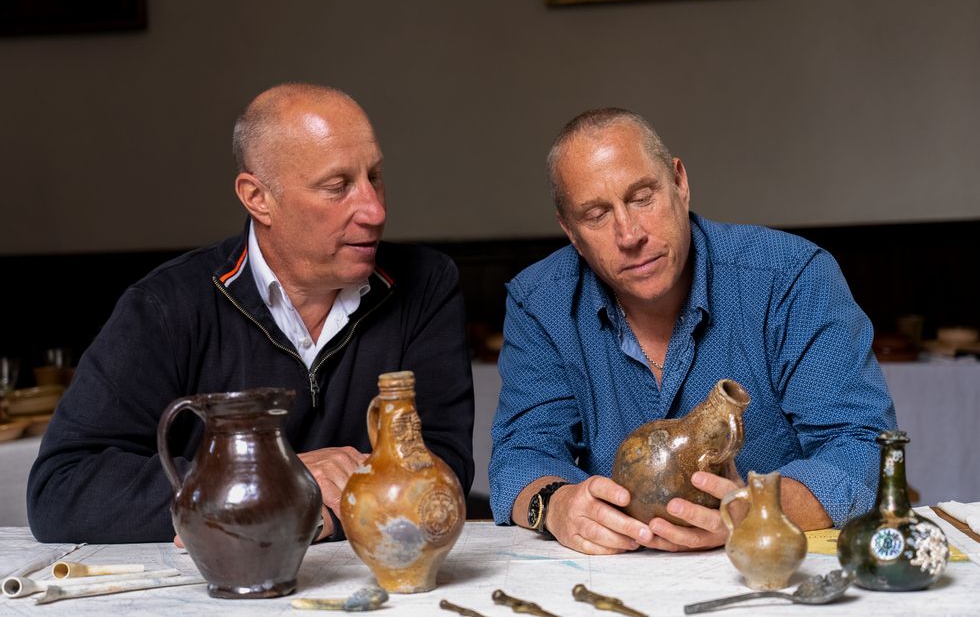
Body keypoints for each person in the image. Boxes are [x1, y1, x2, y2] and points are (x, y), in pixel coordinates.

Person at [28, 84, 474, 543]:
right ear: (258, 198)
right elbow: (61, 488)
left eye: (375, 177)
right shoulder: (166, 305)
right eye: (337, 187)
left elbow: (444, 465)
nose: (375, 210)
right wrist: (271, 482)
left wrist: (318, 518)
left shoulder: (426, 283)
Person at [489, 108, 895, 555]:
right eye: (597, 215)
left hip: (763, 567)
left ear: (679, 183)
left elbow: (862, 449)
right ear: (570, 231)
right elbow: (522, 454)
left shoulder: (791, 278)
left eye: (642, 197)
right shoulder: (540, 302)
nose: (629, 234)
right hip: (617, 572)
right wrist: (557, 503)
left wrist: (754, 508)